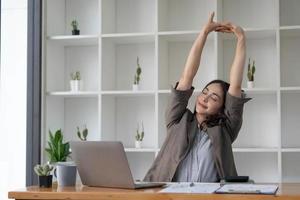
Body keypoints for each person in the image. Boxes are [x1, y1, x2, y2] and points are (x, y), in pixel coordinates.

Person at [143, 12, 252, 182]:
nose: (205, 98)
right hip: (168, 194)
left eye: (214, 98)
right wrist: (204, 33)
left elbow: (235, 85)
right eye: (205, 92)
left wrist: (241, 38)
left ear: (223, 109)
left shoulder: (226, 129)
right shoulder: (178, 119)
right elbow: (187, 77)